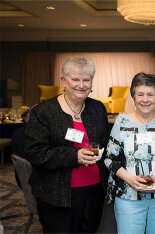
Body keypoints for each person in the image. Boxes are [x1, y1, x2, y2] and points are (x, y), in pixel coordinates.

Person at [24, 56, 110, 233]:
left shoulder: (97, 108)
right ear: (63, 81)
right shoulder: (44, 112)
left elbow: (107, 145)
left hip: (94, 191)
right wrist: (74, 155)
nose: (81, 85)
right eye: (75, 79)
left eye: (86, 80)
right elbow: (35, 152)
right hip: (56, 194)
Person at [104, 72, 155, 234]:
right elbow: (110, 159)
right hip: (128, 197)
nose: (145, 99)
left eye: (150, 95)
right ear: (133, 96)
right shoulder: (122, 121)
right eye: (140, 94)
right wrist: (131, 179)